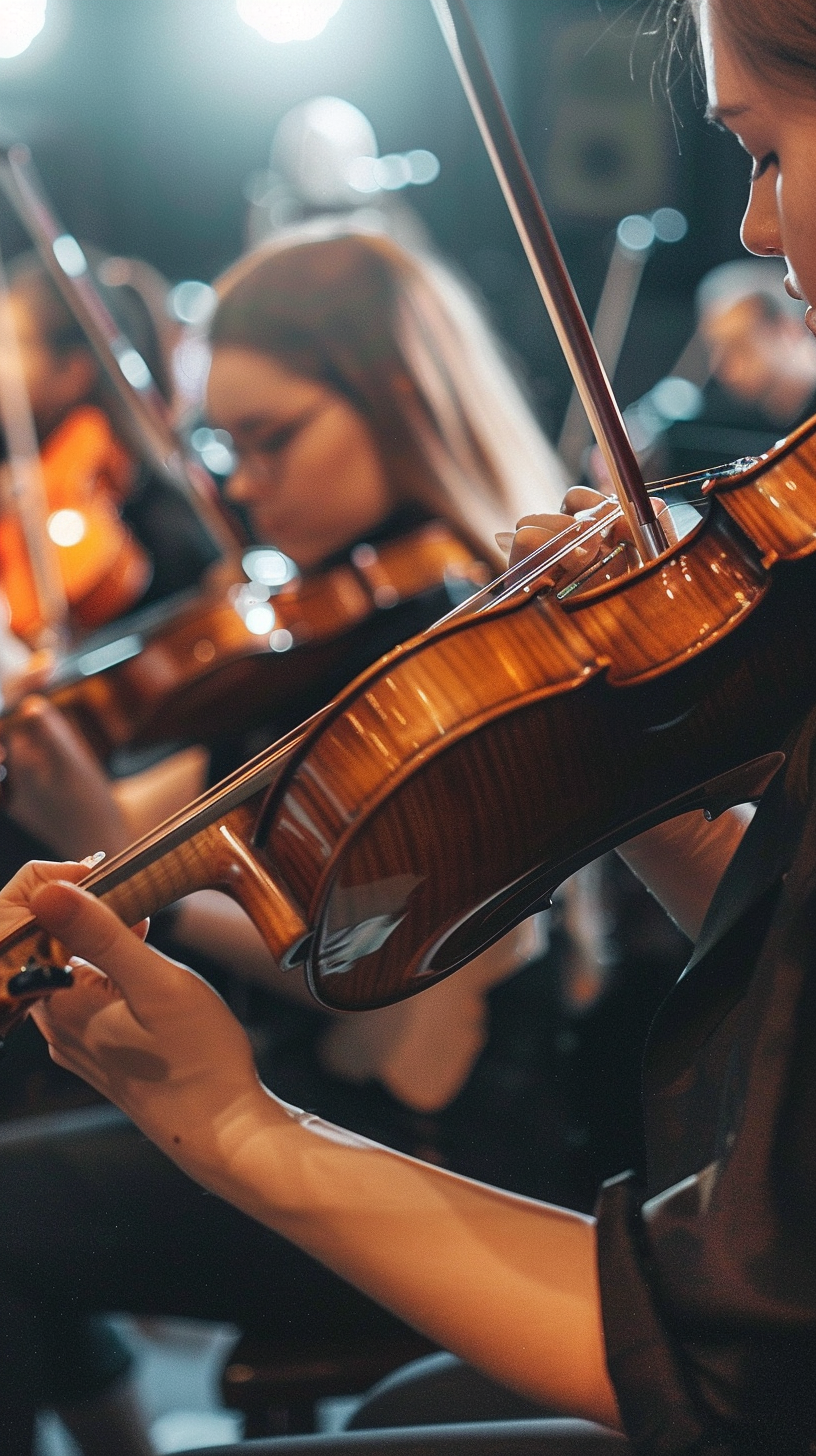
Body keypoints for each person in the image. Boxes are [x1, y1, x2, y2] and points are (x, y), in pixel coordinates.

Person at [6, 1, 816, 1451]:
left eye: (764, 151)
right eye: (223, 449)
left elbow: (743, 1347)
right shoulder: (395, 619)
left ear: (391, 403)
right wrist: (649, 751)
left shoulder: (424, 612)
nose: (754, 228)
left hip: (535, 1175)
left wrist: (232, 1106)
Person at [0, 225, 593, 1456]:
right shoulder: (314, 623)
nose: (238, 482)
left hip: (428, 1149)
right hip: (304, 1097)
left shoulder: (462, 652)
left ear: (399, 403)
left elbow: (384, 993)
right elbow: (217, 798)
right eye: (227, 444)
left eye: (274, 439)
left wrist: (109, 836)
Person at [653, 256, 816, 477]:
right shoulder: (756, 427)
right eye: (714, 348)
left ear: (787, 329)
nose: (721, 368)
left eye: (739, 346)